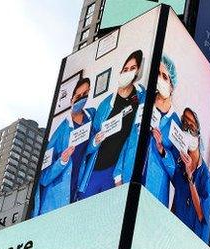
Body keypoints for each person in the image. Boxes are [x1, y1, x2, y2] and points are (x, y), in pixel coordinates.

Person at [79, 50, 146, 200]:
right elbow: (88, 147)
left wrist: (118, 175)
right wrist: (95, 141)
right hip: (94, 170)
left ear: (138, 72)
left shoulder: (140, 100)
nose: (128, 72)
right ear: (120, 71)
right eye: (125, 69)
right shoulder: (105, 104)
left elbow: (133, 140)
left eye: (133, 68)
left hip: (115, 172)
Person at [34, 77, 95, 215]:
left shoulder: (91, 116)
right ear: (71, 99)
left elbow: (88, 151)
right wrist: (62, 161)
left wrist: (95, 142)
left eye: (85, 94)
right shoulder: (59, 133)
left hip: (77, 190)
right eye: (78, 96)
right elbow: (44, 178)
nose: (82, 99)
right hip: (55, 199)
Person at [170, 108, 210, 243]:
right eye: (185, 124)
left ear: (198, 138)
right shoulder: (180, 164)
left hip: (195, 238)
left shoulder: (205, 176)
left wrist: (190, 177)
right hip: (176, 232)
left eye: (192, 126)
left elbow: (201, 215)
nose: (188, 129)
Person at [145, 54, 181, 206]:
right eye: (158, 74)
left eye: (164, 76)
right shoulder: (143, 101)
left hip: (156, 188)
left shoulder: (176, 124)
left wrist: (162, 151)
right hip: (132, 175)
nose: (159, 79)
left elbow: (175, 172)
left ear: (171, 85)